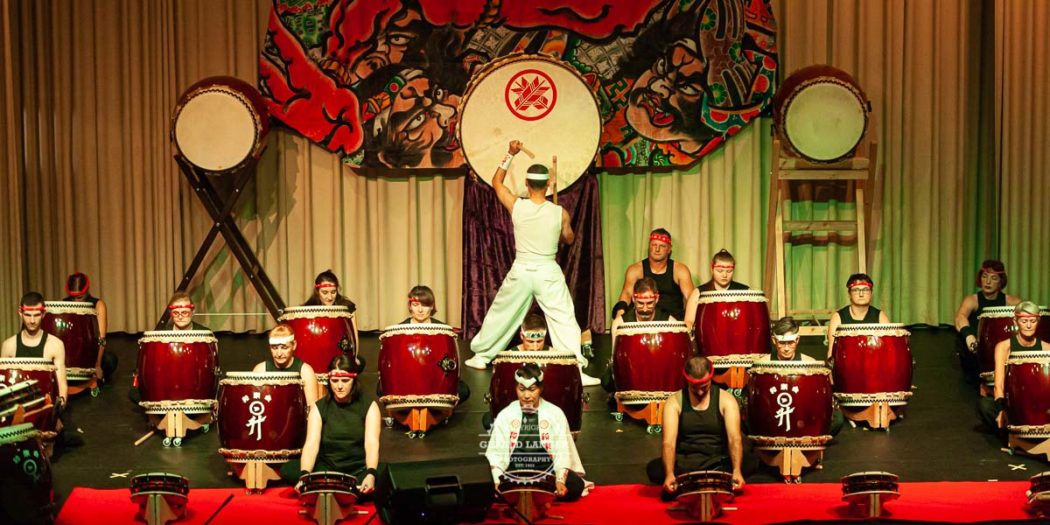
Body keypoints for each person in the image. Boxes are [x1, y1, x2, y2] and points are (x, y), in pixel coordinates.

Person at [464, 140, 599, 387]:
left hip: (523, 270)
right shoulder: (560, 213)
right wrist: (560, 228)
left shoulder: (517, 205)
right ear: (548, 184)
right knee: (564, 318)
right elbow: (569, 239)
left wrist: (510, 154)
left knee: (502, 312)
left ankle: (481, 356)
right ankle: (575, 369)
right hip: (547, 271)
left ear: (527, 184)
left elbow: (496, 183)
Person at [281, 354, 382, 496]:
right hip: (327, 469)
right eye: (335, 381)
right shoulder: (319, 407)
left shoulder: (369, 406)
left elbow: (372, 443)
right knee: (288, 469)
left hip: (358, 469)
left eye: (345, 380)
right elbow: (311, 444)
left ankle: (325, 491)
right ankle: (339, 490)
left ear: (354, 380)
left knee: (383, 475)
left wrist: (371, 473)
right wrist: (305, 476)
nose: (339, 386)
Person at [646, 356, 744, 500]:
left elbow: (734, 438)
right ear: (687, 380)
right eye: (694, 388)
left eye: (704, 387)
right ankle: (705, 482)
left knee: (749, 462)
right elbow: (668, 443)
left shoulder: (726, 400)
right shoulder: (674, 402)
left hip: (717, 461)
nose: (699, 392)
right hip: (686, 462)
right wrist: (669, 474)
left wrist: (737, 470)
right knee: (654, 469)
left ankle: (693, 483)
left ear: (711, 378)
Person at [486, 363, 588, 501]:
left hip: (546, 470)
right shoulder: (506, 415)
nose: (526, 395)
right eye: (522, 389)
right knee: (488, 488)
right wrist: (497, 481)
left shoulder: (555, 413)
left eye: (532, 389)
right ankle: (540, 495)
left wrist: (560, 480)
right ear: (516, 389)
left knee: (575, 486)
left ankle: (524, 495)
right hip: (514, 470)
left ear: (540, 389)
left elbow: (562, 450)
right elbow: (496, 454)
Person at [756, 317, 844, 436]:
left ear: (797, 340)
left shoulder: (810, 363)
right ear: (774, 340)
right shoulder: (762, 364)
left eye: (791, 343)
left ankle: (807, 442)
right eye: (782, 343)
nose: (786, 348)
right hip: (772, 415)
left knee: (837, 419)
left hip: (802, 416)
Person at [383, 285, 470, 402]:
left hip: (434, 378)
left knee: (463, 390)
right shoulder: (399, 331)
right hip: (407, 380)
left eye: (425, 305)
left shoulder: (443, 330)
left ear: (432, 306)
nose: (420, 310)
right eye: (415, 305)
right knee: (382, 388)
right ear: (410, 306)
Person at [977, 302, 1050, 432]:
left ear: (1038, 321)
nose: (1028, 325)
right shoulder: (1004, 347)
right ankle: (1011, 431)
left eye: (1032, 321)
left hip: (1040, 402)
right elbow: (999, 385)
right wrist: (1001, 409)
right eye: (1024, 321)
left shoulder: (1047, 348)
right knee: (985, 405)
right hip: (1014, 401)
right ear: (1016, 322)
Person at [603, 278, 676, 392]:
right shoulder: (620, 323)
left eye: (649, 303)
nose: (645, 309)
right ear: (633, 299)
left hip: (659, 374)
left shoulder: (670, 322)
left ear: (656, 299)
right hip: (631, 372)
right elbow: (616, 358)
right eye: (641, 303)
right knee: (607, 380)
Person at [954, 260, 1020, 381]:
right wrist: (969, 336)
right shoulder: (972, 300)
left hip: (1003, 352)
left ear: (1001, 281)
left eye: (994, 278)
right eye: (984, 277)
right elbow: (960, 317)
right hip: (976, 352)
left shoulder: (1011, 301)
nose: (988, 282)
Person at [1, 292, 69, 409]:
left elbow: (62, 384)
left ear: (43, 314)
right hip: (16, 409)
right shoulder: (9, 346)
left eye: (36, 315)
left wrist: (57, 411)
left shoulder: (55, 345)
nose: (32, 321)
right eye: (28, 315)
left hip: (46, 408)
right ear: (20, 313)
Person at [613, 229, 694, 322]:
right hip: (643, 320)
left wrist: (688, 323)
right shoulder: (635, 270)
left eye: (662, 246)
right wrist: (620, 318)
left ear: (669, 249)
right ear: (649, 246)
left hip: (673, 322)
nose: (657, 249)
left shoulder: (680, 270)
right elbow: (626, 294)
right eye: (654, 245)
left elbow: (691, 298)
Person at [63, 272, 117, 383]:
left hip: (90, 353)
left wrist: (97, 364)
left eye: (79, 297)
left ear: (86, 291)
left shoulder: (98, 304)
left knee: (110, 360)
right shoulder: (64, 303)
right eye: (73, 298)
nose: (76, 302)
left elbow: (101, 339)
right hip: (70, 355)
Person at [252, 323, 319, 407]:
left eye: (284, 347)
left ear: (294, 345)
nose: (279, 353)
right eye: (274, 348)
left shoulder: (305, 371)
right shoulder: (260, 370)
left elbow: (313, 409)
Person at [826, 274, 890, 359]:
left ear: (871, 293)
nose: (861, 294)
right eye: (856, 290)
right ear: (849, 294)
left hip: (874, 366)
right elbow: (832, 351)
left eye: (866, 290)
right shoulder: (838, 317)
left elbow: (889, 350)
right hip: (846, 366)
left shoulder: (881, 317)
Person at [683, 249, 749, 330]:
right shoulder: (699, 293)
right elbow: (689, 321)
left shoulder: (746, 292)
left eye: (729, 271)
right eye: (720, 271)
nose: (724, 275)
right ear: (712, 268)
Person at [305, 270, 359, 354]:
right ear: (317, 291)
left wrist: (355, 357)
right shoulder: (306, 310)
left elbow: (354, 337)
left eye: (333, 292)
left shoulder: (346, 307)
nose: (330, 297)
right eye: (325, 292)